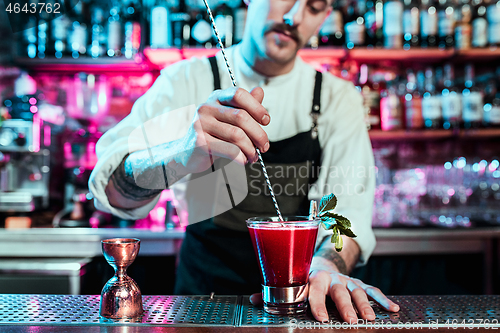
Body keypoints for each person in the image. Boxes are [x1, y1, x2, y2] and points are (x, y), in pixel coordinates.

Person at [89, 0, 400, 323]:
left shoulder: (338, 98)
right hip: (202, 307)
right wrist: (180, 153)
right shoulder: (184, 81)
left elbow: (347, 217)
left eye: (314, 6)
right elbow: (112, 189)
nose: (294, 17)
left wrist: (325, 266)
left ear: (325, 16)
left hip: (299, 307)